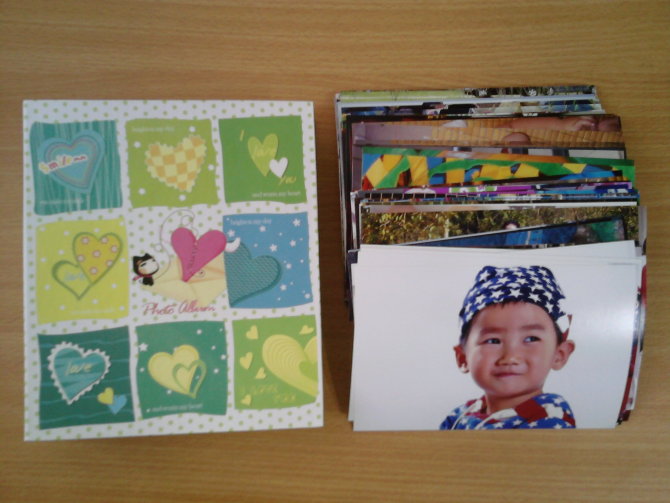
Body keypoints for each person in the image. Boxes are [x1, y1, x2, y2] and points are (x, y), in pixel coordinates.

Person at [440, 265, 576, 430]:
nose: (510, 357)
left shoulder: (551, 422)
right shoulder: (458, 417)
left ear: (559, 355)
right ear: (463, 358)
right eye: (493, 341)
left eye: (531, 339)